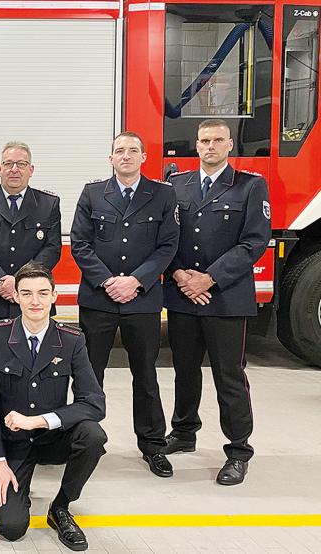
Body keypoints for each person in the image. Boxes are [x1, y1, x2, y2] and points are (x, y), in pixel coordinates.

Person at [163, 119, 270, 485]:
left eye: (217, 140)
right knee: (184, 369)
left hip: (225, 297)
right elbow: (165, 237)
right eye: (204, 140)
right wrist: (179, 275)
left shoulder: (250, 186)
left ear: (229, 145)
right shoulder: (177, 185)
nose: (210, 146)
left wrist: (209, 278)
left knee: (229, 375)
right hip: (182, 296)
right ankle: (183, 432)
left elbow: (254, 241)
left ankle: (238, 450)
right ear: (196, 145)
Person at [0, 262, 106, 552]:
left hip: (51, 438)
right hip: (12, 446)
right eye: (27, 293)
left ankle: (61, 507)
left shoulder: (72, 340)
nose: (35, 301)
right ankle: (18, 493)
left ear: (54, 296)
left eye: (43, 293)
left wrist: (41, 421)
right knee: (11, 529)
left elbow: (94, 404)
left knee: (93, 435)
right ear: (16, 297)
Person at [69, 131, 179, 478]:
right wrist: (107, 281)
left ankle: (152, 445)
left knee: (145, 375)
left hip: (142, 301)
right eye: (120, 150)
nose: (126, 156)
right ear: (111, 158)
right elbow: (80, 244)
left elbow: (168, 246)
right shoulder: (92, 194)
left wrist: (135, 281)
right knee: (89, 376)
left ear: (144, 157)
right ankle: (83, 441)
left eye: (133, 151)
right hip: (98, 300)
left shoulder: (163, 194)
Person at [0, 140, 62, 459]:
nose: (14, 169)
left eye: (21, 164)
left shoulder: (49, 204)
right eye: (8, 163)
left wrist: (21, 283)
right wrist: (0, 281)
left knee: (37, 371)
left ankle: (38, 432)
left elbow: (52, 249)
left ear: (31, 169)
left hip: (33, 302)